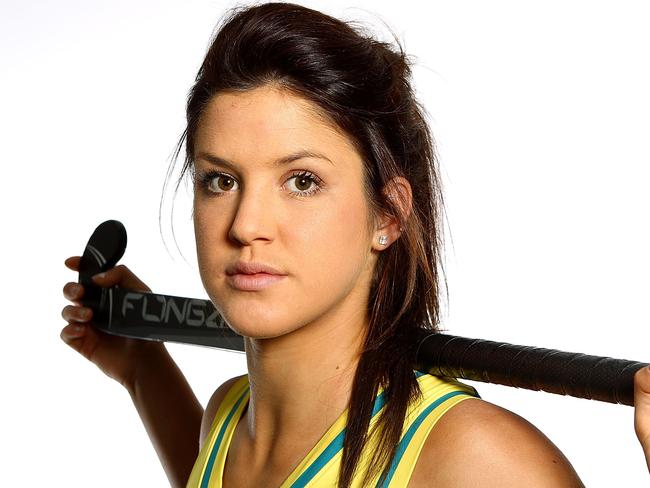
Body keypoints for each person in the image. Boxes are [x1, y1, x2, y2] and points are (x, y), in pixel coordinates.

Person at [59, 2, 644, 486]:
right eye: (222, 180)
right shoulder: (227, 423)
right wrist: (143, 369)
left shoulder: (478, 462)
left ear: (387, 214)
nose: (245, 224)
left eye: (302, 181)